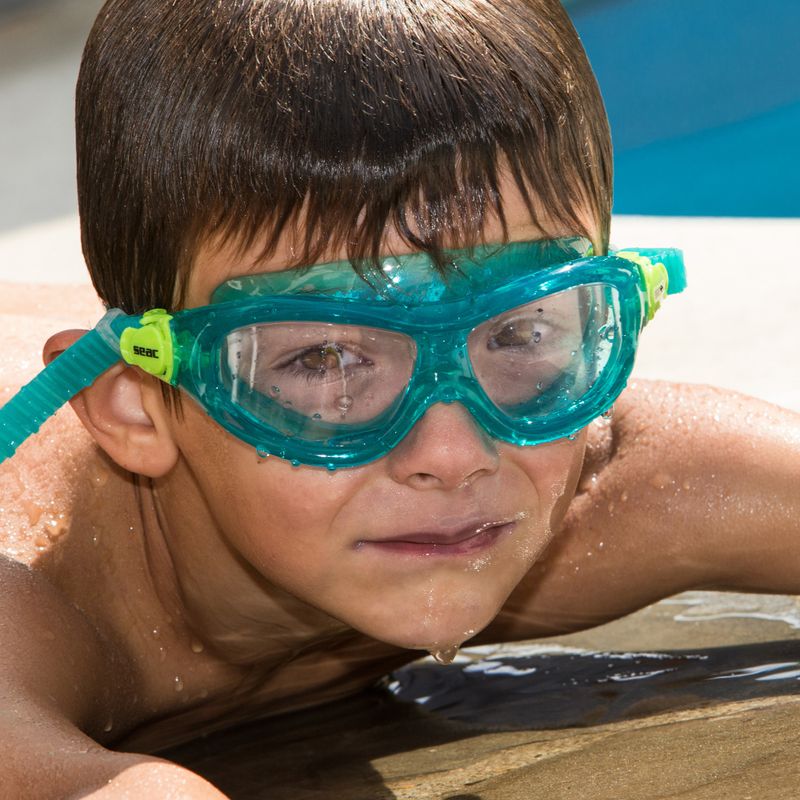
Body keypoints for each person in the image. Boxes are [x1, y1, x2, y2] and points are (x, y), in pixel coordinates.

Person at [1, 0, 798, 797]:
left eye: (519, 333)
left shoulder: (597, 492)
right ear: (134, 403)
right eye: (325, 359)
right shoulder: (34, 596)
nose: (452, 456)